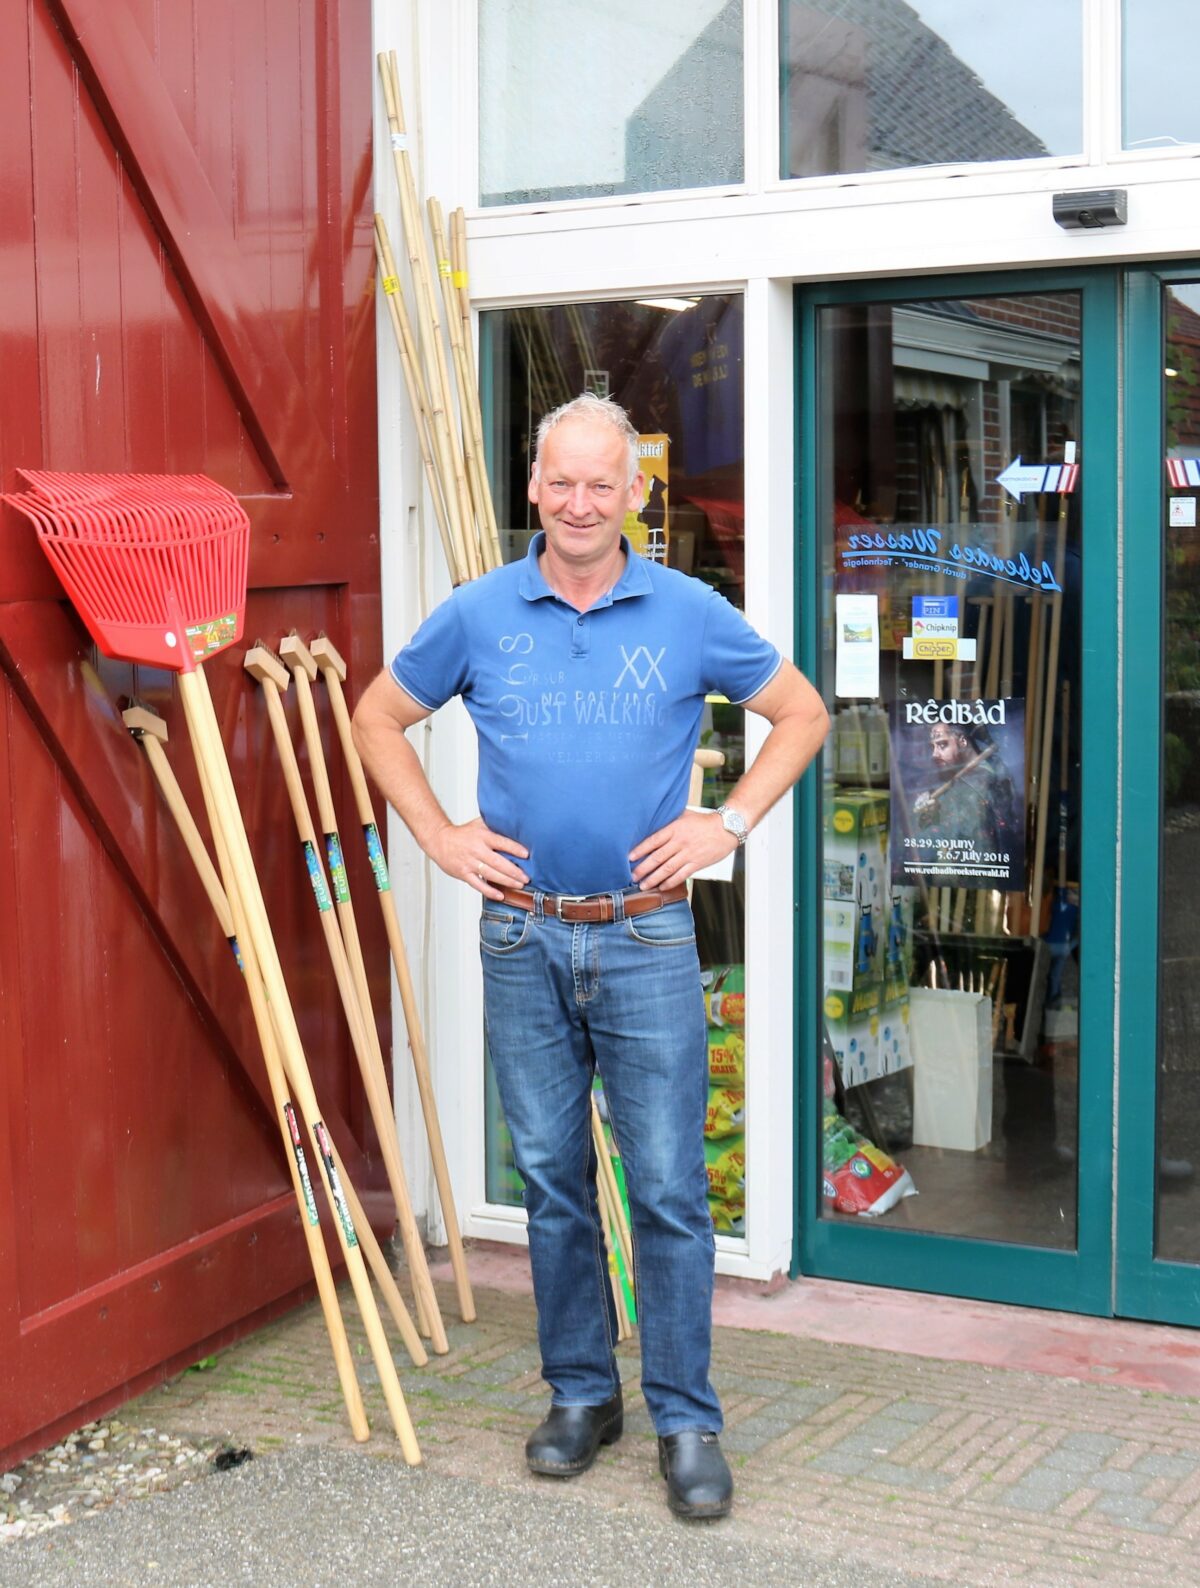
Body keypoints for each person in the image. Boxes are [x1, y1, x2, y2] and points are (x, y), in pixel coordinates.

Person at [352, 393, 828, 1520]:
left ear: (633, 493)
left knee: (666, 1187)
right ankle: (580, 1392)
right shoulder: (478, 613)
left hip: (648, 932)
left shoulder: (687, 608)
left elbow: (802, 713)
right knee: (554, 1183)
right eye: (560, 482)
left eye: (600, 484)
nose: (578, 503)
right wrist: (439, 832)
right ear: (533, 488)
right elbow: (376, 716)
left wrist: (730, 826)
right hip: (521, 932)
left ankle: (685, 1416)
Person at [912, 721, 1020, 877]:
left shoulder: (978, 782)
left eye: (942, 745)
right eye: (932, 747)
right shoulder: (964, 775)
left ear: (962, 742)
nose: (934, 754)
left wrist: (931, 816)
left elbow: (950, 833)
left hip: (974, 875)